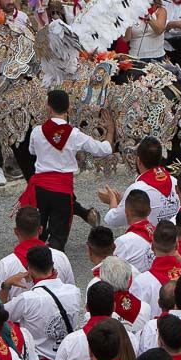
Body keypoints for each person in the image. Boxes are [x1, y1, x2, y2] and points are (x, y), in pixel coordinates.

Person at [19, 90, 114, 250]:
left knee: (38, 231)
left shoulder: (37, 131)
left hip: (41, 189)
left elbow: (32, 151)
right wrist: (110, 130)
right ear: (68, 108)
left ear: (49, 108)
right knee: (58, 236)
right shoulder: (75, 134)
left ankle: (36, 263)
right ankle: (53, 266)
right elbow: (103, 149)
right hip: (62, 191)